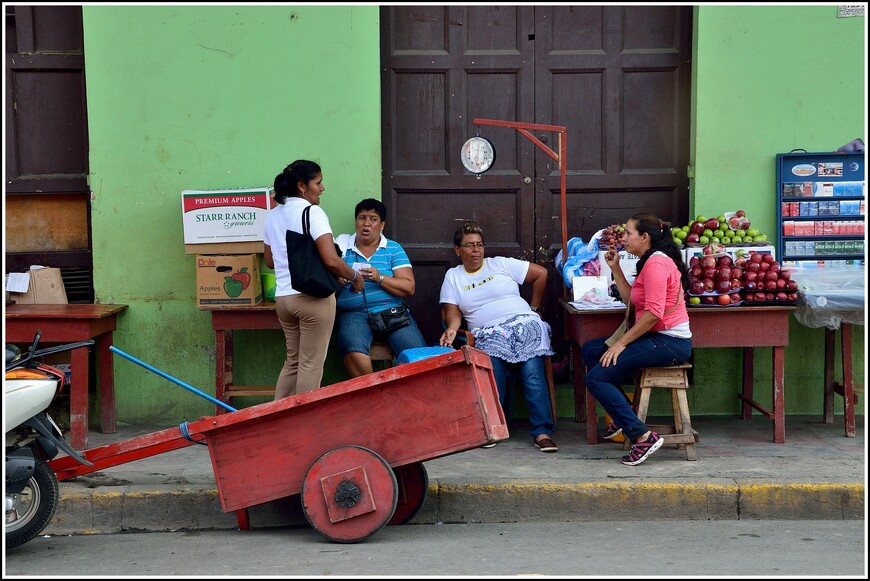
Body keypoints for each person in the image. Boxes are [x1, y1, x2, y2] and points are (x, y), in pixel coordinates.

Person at [581, 213, 692, 465]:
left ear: (645, 237)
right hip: (657, 337)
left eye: (629, 233)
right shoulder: (649, 260)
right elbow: (634, 300)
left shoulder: (657, 264)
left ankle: (642, 436)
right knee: (591, 351)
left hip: (669, 342)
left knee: (596, 377)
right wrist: (616, 268)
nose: (624, 237)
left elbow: (653, 315)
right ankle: (626, 419)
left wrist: (621, 344)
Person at [438, 222, 557, 453]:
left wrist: (534, 308)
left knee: (532, 372)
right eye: (469, 245)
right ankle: (493, 427)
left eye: (480, 245)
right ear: (457, 250)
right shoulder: (453, 276)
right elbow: (452, 310)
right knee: (493, 371)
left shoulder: (500, 264)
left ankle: (542, 432)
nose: (476, 250)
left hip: (523, 323)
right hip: (488, 332)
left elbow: (541, 274)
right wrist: (452, 328)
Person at [263, 159, 364, 400]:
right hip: (312, 300)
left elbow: (269, 261)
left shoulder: (272, 215)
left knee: (293, 362)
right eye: (318, 182)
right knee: (310, 365)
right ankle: (302, 426)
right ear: (301, 185)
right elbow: (331, 260)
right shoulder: (312, 212)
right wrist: (354, 276)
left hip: (284, 299)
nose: (322, 188)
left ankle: (277, 420)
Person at [334, 198, 427, 377]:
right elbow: (326, 273)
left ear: (382, 224)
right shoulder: (342, 247)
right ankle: (376, 395)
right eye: (362, 218)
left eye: (373, 219)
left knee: (418, 357)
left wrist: (380, 278)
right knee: (352, 349)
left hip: (392, 312)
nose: (366, 224)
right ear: (356, 222)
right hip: (354, 313)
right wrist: (338, 278)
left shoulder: (393, 249)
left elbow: (409, 287)